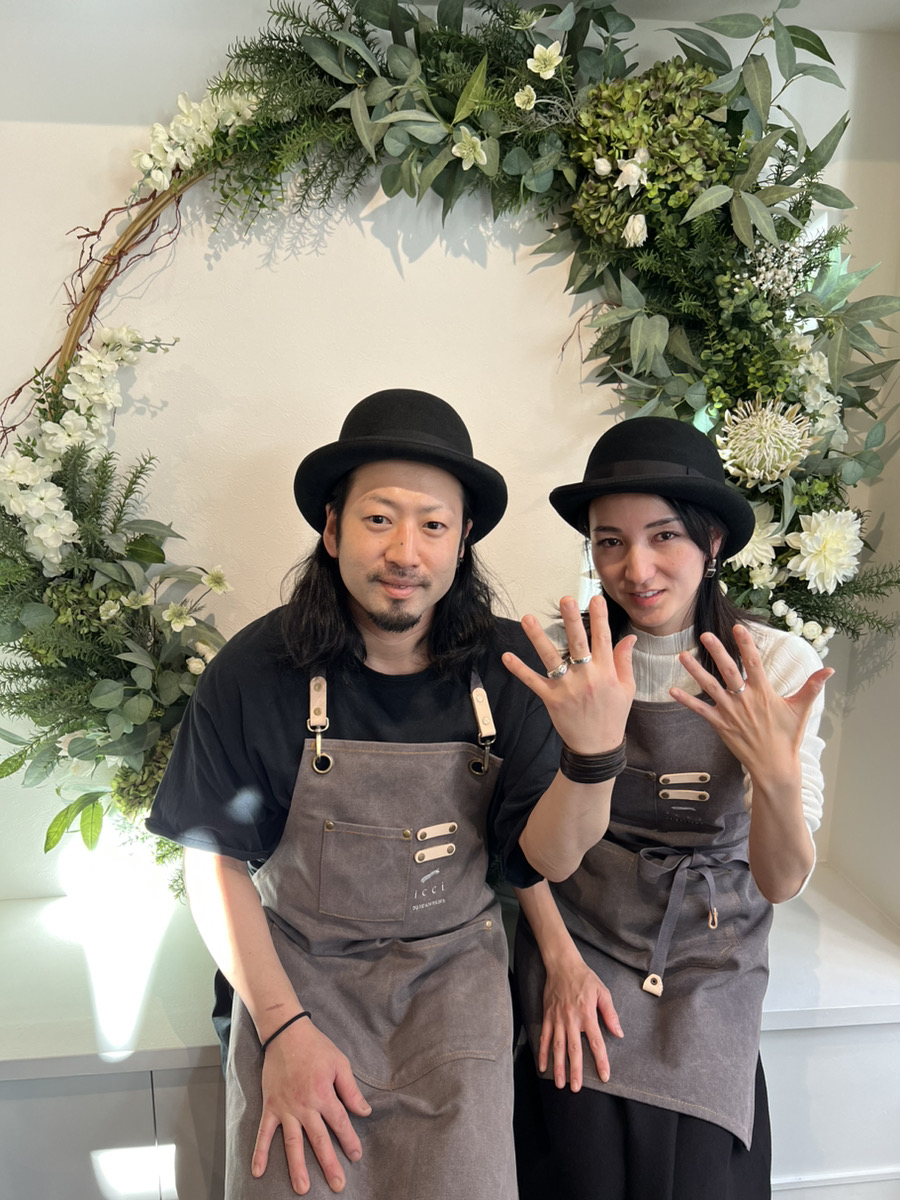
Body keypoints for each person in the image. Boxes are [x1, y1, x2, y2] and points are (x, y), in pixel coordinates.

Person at [145, 388, 608, 1200]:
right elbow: (213, 862)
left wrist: (593, 759)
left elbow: (545, 860)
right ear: (332, 530)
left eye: (432, 525)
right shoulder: (257, 671)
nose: (405, 552)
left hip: (453, 982)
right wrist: (284, 1031)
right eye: (378, 518)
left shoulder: (507, 671)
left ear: (463, 540)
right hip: (296, 980)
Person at [501, 417, 832, 1200]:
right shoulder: (569, 661)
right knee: (579, 1156)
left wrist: (774, 773)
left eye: (663, 537)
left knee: (699, 1170)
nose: (636, 568)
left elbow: (780, 880)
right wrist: (560, 964)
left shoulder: (774, 663)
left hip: (713, 952)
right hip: (583, 934)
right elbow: (524, 846)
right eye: (609, 542)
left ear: (712, 541)